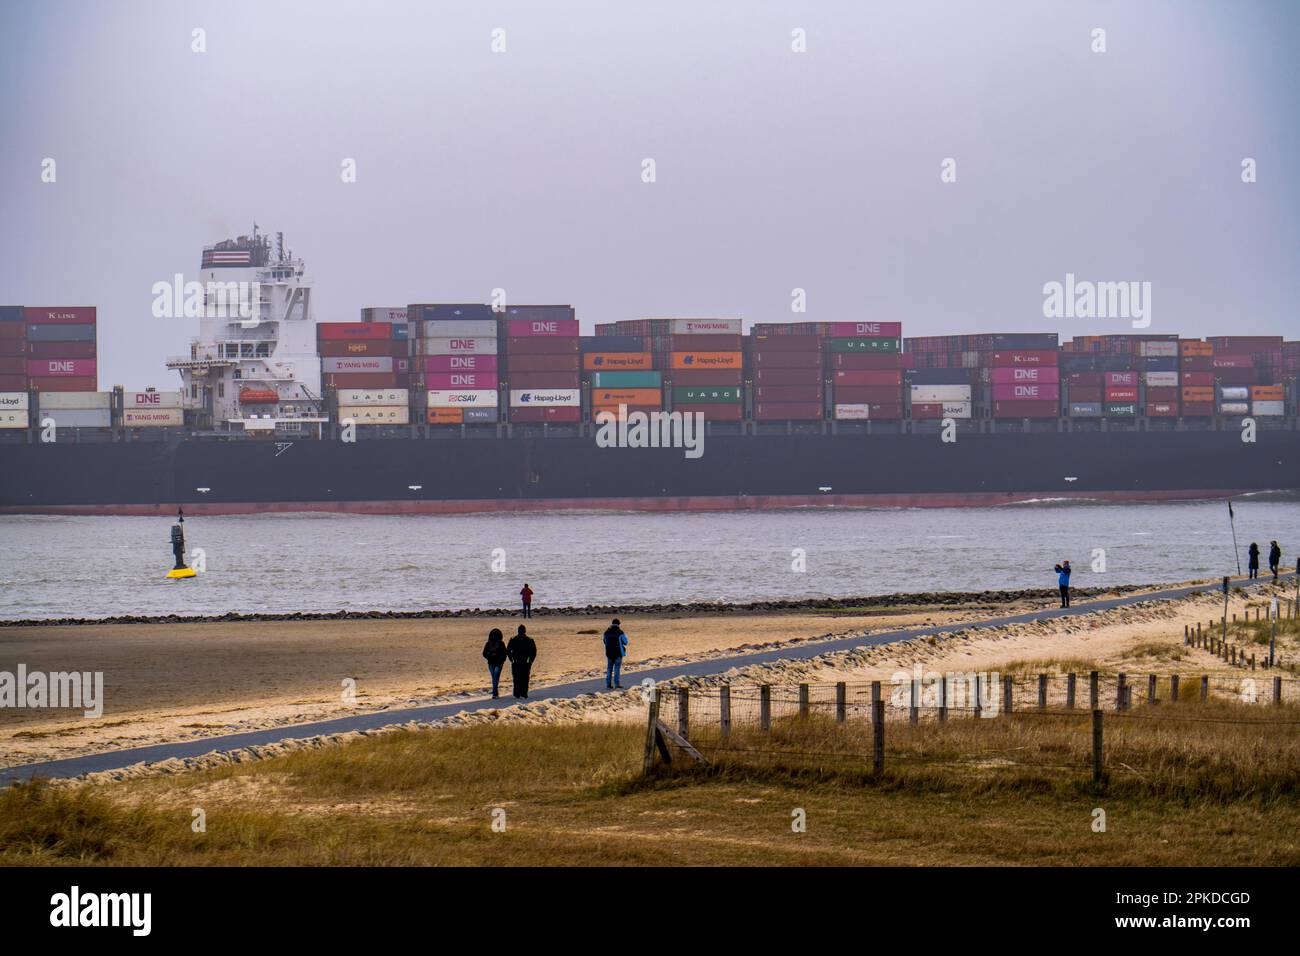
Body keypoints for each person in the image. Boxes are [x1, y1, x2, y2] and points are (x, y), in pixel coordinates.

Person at [506, 624, 537, 699]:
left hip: (516, 661)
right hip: (526, 662)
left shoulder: (513, 639)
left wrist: (511, 659)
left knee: (516, 678)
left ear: (518, 631)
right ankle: (524, 694)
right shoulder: (530, 640)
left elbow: (508, 650)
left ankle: (517, 693)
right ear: (525, 631)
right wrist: (530, 660)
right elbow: (534, 651)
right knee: (525, 678)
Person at [482, 628, 508, 699]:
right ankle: (495, 693)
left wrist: (489, 657)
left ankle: (495, 694)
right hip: (495, 663)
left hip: (495, 663)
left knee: (495, 678)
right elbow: (505, 653)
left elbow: (484, 653)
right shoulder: (498, 643)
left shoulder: (491, 643)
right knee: (495, 678)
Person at [603, 618, 628, 689]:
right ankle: (617, 684)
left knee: (609, 668)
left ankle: (608, 684)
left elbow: (604, 641)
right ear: (618, 624)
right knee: (617, 669)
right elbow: (626, 642)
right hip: (618, 653)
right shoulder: (620, 632)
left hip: (609, 653)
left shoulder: (606, 632)